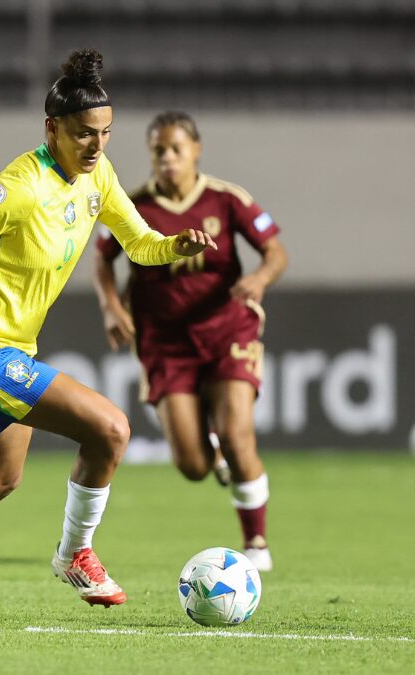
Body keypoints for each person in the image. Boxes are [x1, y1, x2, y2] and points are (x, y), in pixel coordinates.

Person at [0, 49, 216, 618]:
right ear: (52, 129)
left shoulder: (97, 176)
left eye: (106, 134)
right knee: (110, 429)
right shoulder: (20, 185)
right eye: (84, 134)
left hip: (4, 352)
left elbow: (138, 244)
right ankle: (75, 553)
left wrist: (174, 246)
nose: (97, 146)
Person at [92, 111, 288, 572]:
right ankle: (212, 450)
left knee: (240, 435)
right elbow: (102, 258)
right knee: (193, 466)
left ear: (196, 150)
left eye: (176, 149)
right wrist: (110, 305)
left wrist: (259, 279)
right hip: (164, 342)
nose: (167, 158)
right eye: (159, 150)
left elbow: (275, 251)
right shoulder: (131, 204)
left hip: (227, 330)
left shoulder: (226, 200)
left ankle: (256, 543)